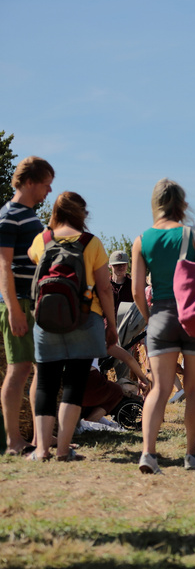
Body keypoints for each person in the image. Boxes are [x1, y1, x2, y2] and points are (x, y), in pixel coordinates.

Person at [28, 192, 118, 461]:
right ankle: (64, 450)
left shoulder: (41, 240)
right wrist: (111, 324)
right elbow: (104, 287)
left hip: (47, 320)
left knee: (45, 383)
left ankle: (42, 450)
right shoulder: (91, 243)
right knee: (74, 384)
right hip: (84, 317)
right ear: (82, 213)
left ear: (55, 211)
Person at [132, 178, 195, 474]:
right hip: (193, 317)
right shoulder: (192, 235)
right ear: (181, 204)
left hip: (161, 316)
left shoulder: (142, 239)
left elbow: (137, 291)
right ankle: (192, 455)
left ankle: (148, 454)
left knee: (160, 388)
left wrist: (151, 315)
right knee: (194, 389)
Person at [0, 156, 54, 455]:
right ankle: (13, 441)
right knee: (18, 370)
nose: (49, 191)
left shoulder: (28, 215)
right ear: (30, 182)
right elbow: (3, 265)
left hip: (34, 302)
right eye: (46, 185)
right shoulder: (9, 215)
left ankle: (39, 438)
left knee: (39, 369)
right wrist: (13, 309)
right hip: (19, 301)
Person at [108, 250, 133, 317]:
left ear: (127, 265)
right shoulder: (104, 285)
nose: (121, 267)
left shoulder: (133, 286)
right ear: (110, 265)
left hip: (128, 325)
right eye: (117, 264)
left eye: (123, 264)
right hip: (106, 325)